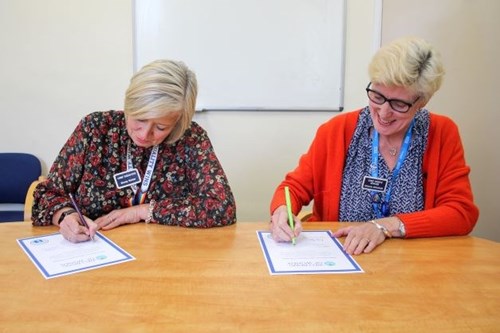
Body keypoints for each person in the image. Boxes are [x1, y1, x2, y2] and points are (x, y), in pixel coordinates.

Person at [269, 36, 479, 255]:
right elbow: (292, 188)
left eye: (399, 104)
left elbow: (461, 212)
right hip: (340, 259)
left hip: (414, 267)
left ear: (421, 102)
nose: (384, 113)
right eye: (377, 96)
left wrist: (385, 226)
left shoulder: (442, 133)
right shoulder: (336, 131)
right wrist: (282, 211)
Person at [32, 59, 237, 242]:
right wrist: (65, 215)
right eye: (139, 119)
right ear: (129, 105)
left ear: (177, 123)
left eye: (160, 127)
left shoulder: (191, 139)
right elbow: (48, 195)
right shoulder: (94, 129)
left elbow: (221, 207)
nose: (145, 134)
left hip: (167, 258)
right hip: (95, 253)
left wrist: (143, 211)